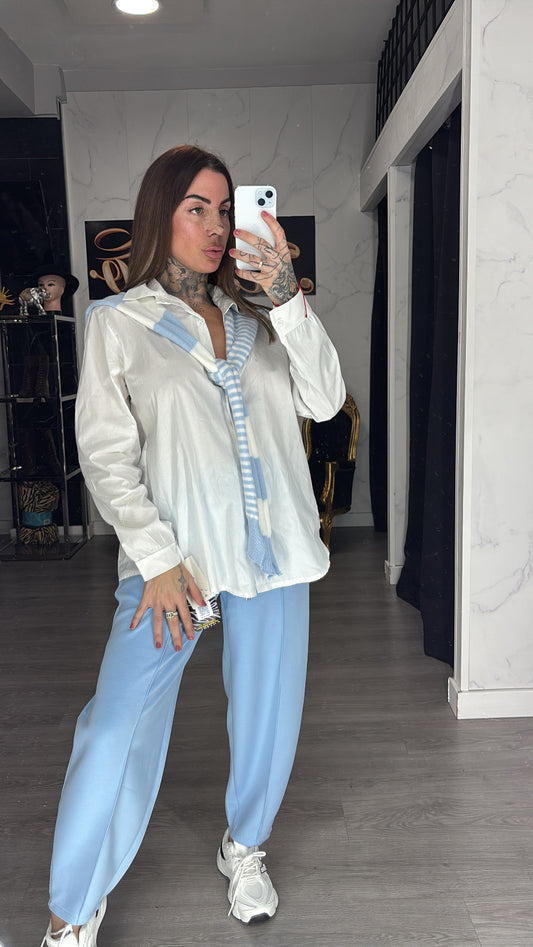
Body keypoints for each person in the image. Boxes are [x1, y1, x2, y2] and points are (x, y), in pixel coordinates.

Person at [41, 144, 345, 946]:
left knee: (269, 715)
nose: (215, 226)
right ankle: (72, 906)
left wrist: (288, 300)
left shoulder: (264, 318)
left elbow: (324, 400)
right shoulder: (117, 323)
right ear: (159, 215)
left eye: (226, 210)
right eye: (196, 208)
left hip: (273, 554)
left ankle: (244, 845)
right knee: (115, 726)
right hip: (172, 565)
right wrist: (156, 557)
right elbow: (107, 456)